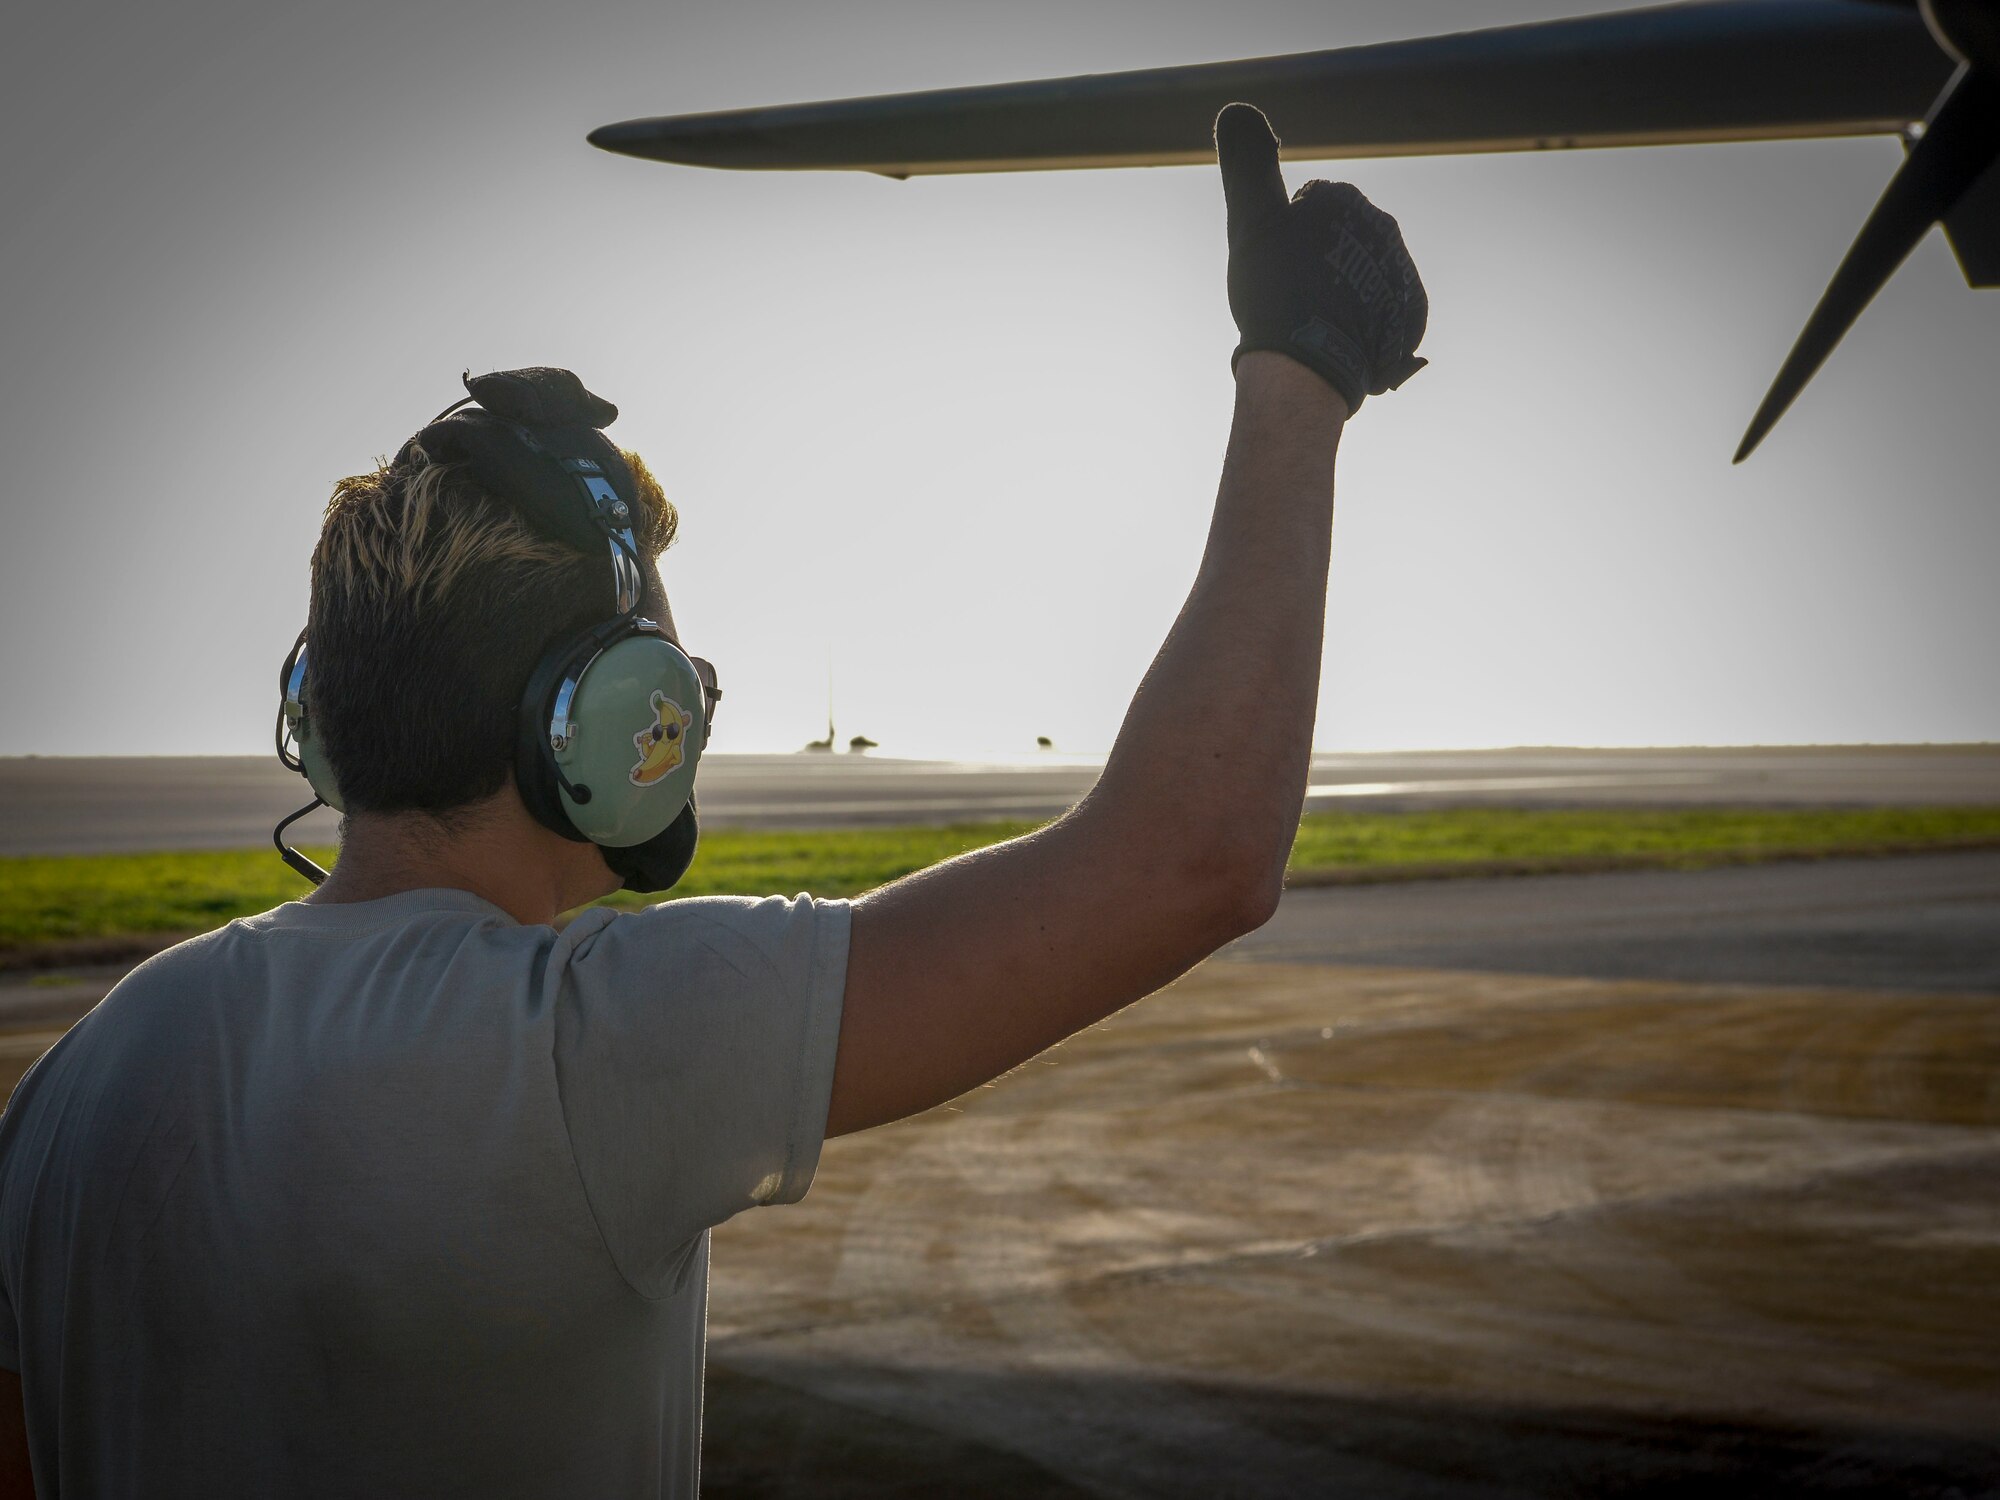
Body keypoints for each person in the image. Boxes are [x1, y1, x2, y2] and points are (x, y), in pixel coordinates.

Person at [0, 103, 1424, 1497]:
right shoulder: (581, 1055)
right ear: (613, 720)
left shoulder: (84, 1076)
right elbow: (1193, 859)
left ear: (325, 707)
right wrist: (1298, 378)